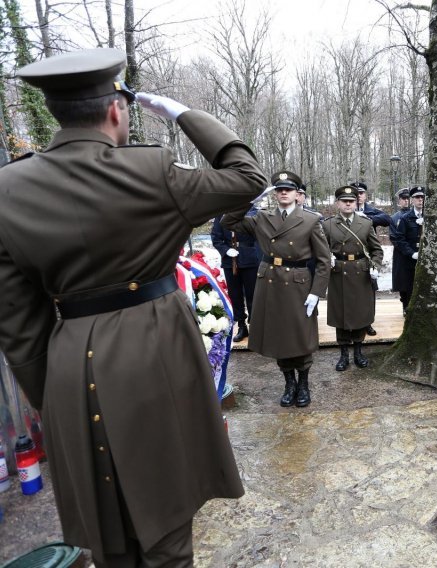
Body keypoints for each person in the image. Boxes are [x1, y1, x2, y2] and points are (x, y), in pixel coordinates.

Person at [0, 49, 267, 566]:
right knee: (167, 512)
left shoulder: (6, 189)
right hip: (157, 347)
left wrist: (53, 398)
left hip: (71, 363)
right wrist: (185, 115)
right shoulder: (154, 170)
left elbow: (18, 322)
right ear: (117, 111)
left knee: (109, 525)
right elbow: (247, 177)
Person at [222, 170, 330, 409]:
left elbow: (324, 260)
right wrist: (251, 199)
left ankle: (303, 383)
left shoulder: (311, 220)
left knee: (299, 335)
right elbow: (228, 222)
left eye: (288, 189)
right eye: (279, 189)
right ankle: (288, 383)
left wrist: (316, 292)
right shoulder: (262, 217)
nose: (283, 193)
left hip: (298, 284)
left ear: (297, 193)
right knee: (280, 335)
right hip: (270, 281)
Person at [323, 185, 383, 370]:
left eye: (351, 201)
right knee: (340, 315)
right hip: (338, 274)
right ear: (337, 203)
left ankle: (358, 351)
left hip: (361, 274)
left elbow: (376, 250)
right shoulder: (328, 224)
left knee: (360, 314)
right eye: (344, 201)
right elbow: (320, 249)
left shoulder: (365, 223)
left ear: (356, 203)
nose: (348, 204)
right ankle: (343, 355)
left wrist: (375, 266)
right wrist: (327, 258)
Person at [211, 208, 260, 342]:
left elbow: (260, 236)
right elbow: (216, 237)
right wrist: (226, 251)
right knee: (235, 295)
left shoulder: (253, 213)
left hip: (250, 258)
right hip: (230, 261)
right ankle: (242, 325)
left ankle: (256, 325)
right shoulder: (221, 214)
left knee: (253, 294)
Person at [353, 180, 389, 335]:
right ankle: (353, 322)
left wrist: (367, 218)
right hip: (351, 256)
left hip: (368, 256)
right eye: (355, 194)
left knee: (369, 291)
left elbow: (387, 219)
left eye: (361, 193)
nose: (358, 196)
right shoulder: (346, 210)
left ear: (365, 195)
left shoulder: (371, 211)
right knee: (352, 292)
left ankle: (368, 322)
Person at [393, 186, 425, 315]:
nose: (420, 200)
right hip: (410, 258)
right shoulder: (406, 218)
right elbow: (400, 239)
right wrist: (411, 253)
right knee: (408, 285)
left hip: (425, 258)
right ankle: (407, 308)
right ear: (412, 200)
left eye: (422, 197)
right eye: (417, 197)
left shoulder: (430, 218)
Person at [389, 187, 411, 306]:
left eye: (408, 198)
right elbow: (394, 237)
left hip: (415, 253)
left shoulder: (418, 215)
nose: (406, 201)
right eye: (403, 198)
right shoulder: (394, 218)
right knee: (403, 282)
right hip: (401, 254)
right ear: (399, 201)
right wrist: (406, 250)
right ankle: (405, 305)